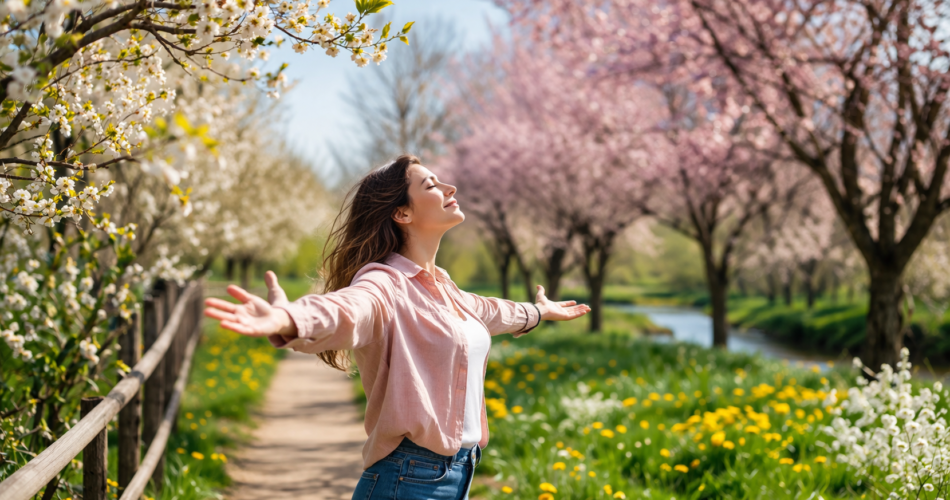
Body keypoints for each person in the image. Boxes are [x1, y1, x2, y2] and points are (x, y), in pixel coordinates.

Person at [204, 154, 590, 500]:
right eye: (431, 185)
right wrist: (290, 319)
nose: (449, 188)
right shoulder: (384, 283)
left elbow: (491, 311)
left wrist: (539, 312)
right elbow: (349, 309)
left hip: (461, 472)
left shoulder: (444, 287)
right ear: (402, 213)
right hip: (409, 480)